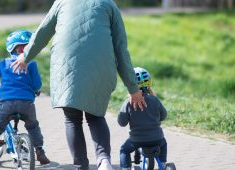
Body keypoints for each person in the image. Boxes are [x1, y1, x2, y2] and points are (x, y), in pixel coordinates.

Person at [10, 0, 146, 169]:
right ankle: (104, 161)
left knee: (72, 119)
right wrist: (133, 88)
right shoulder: (109, 4)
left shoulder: (62, 2)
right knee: (96, 116)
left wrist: (26, 56)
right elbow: (120, 48)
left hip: (67, 66)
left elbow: (43, 32)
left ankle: (81, 165)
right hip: (100, 66)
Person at [0, 30, 50, 165]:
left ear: (11, 47)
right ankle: (40, 151)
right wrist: (36, 90)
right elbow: (37, 84)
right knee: (33, 126)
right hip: (27, 104)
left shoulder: (3, 63)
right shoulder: (32, 64)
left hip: (7, 103)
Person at [118, 67, 168, 170]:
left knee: (124, 150)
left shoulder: (128, 103)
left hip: (136, 140)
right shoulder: (155, 100)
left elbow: (122, 122)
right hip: (156, 138)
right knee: (163, 144)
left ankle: (126, 168)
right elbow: (163, 116)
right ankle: (162, 164)